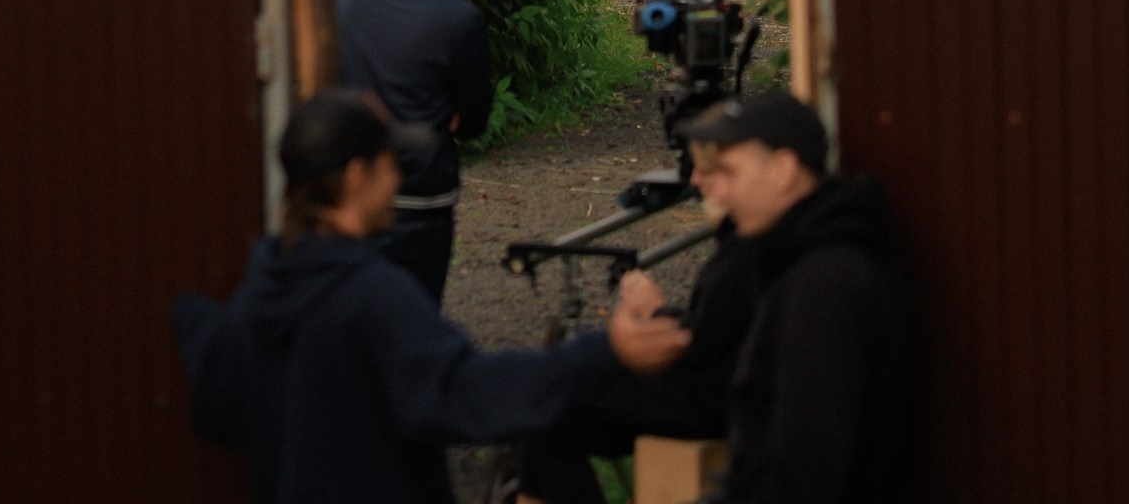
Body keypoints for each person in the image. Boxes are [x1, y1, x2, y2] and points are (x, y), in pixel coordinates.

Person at [173, 90, 693, 504]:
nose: (399, 176)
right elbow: (467, 395)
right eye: (390, 162)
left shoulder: (265, 284)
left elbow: (221, 406)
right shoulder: (371, 293)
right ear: (358, 176)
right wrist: (605, 352)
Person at [678, 92, 909, 504]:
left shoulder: (822, 286)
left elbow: (803, 471)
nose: (713, 190)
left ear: (784, 170)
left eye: (729, 171)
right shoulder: (792, 258)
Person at [511, 149, 767, 504]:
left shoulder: (754, 251)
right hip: (713, 383)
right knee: (551, 407)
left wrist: (654, 312)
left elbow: (702, 344)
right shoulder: (753, 238)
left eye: (712, 173)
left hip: (713, 396)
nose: (695, 183)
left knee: (552, 413)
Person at [335, 0, 492, 305]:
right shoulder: (458, 16)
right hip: (420, 196)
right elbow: (473, 122)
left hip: (352, 182)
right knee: (414, 313)